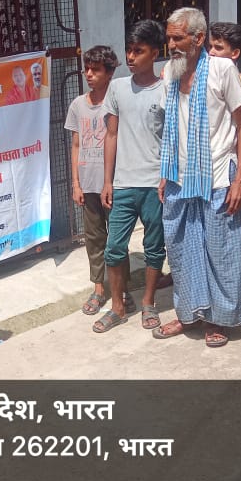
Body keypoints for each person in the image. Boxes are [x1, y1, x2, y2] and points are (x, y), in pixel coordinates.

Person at [152, 8, 241, 347]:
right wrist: (165, 174)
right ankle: (189, 313)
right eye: (169, 38)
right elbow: (172, 127)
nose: (171, 44)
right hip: (179, 177)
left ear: (198, 38)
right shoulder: (170, 72)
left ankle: (219, 319)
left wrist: (240, 180)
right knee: (182, 249)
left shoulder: (222, 69)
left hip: (219, 175)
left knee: (221, 250)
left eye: (177, 38)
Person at [94, 19, 168, 333]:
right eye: (129, 50)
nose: (131, 56)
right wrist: (107, 181)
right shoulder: (118, 88)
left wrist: (166, 176)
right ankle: (118, 306)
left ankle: (149, 302)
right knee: (114, 248)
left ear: (155, 53)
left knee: (154, 246)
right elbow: (111, 135)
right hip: (123, 184)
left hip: (155, 184)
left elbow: (172, 138)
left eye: (139, 51)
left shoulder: (166, 89)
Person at [66, 45, 127, 315]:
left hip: (114, 183)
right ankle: (99, 288)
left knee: (117, 239)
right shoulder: (78, 105)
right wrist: (76, 183)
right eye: (86, 69)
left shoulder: (118, 103)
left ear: (110, 73)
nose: (89, 74)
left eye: (96, 70)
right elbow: (76, 145)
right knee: (94, 238)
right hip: (88, 183)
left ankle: (122, 289)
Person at [208, 21, 241, 123]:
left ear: (235, 53)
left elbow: (227, 120)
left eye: (218, 48)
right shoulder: (206, 76)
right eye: (210, 47)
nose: (211, 52)